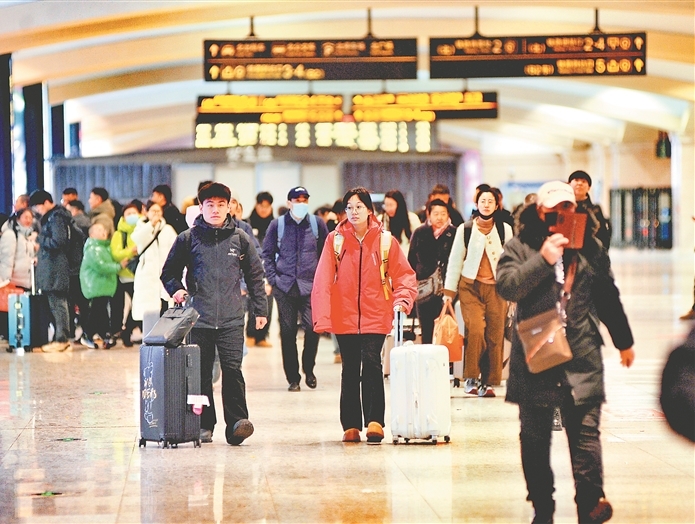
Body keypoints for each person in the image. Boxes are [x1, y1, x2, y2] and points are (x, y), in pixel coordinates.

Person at [496, 180, 635, 524]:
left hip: (582, 353)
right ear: (540, 210)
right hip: (537, 355)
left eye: (568, 207)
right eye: (555, 208)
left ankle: (590, 503)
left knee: (586, 434)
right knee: (535, 439)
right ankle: (543, 507)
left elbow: (607, 295)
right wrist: (543, 260)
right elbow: (508, 286)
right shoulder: (520, 246)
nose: (562, 214)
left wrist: (624, 340)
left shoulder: (591, 248)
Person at [161, 182, 267, 446]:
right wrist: (178, 290)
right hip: (198, 319)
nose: (216, 210)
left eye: (221, 204)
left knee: (233, 371)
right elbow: (168, 273)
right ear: (201, 207)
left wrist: (260, 310)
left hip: (232, 318)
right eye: (210, 205)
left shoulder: (240, 238)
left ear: (229, 207)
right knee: (200, 374)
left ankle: (237, 424)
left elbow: (255, 275)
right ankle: (203, 424)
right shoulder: (188, 238)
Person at [311, 187, 417, 443]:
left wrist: (402, 300)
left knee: (372, 363)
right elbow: (323, 278)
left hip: (376, 313)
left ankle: (374, 421)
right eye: (349, 207)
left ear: (370, 210)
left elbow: (404, 275)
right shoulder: (335, 240)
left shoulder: (385, 241)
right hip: (344, 314)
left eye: (359, 207)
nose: (354, 212)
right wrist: (322, 316)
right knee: (349, 368)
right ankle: (350, 424)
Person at [443, 185, 513, 398]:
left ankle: (489, 381)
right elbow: (455, 261)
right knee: (475, 330)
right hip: (470, 287)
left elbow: (511, 261)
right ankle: (471, 377)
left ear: (497, 205)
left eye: (491, 201)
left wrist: (513, 291)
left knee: (495, 334)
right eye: (483, 201)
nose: (486, 204)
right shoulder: (465, 229)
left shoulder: (504, 229)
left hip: (497, 289)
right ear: (476, 203)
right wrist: (449, 292)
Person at [262, 186, 329, 392]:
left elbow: (326, 254)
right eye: (297, 200)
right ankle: (293, 378)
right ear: (289, 203)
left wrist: (323, 281)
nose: (301, 203)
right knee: (288, 331)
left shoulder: (317, 224)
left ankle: (309, 369)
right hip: (285, 286)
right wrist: (273, 280)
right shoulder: (278, 225)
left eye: (304, 200)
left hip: (310, 286)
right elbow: (267, 254)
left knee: (313, 328)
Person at [29, 189, 74, 353]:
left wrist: (39, 238)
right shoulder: (53, 217)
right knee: (55, 303)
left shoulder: (56, 217)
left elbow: (58, 242)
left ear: (47, 202)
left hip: (56, 267)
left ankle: (62, 339)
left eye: (38, 207)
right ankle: (59, 338)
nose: (38, 211)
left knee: (58, 303)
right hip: (52, 266)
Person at [407, 199, 457, 344]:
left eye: (443, 213)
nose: (439, 217)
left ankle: (446, 359)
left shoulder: (454, 233)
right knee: (426, 332)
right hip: (424, 290)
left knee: (446, 331)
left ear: (448, 214)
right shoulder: (420, 232)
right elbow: (411, 261)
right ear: (429, 214)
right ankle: (427, 358)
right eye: (436, 213)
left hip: (447, 290)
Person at [131, 201, 177, 338]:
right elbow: (137, 239)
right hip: (147, 273)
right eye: (153, 211)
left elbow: (174, 247)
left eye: (158, 211)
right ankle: (148, 336)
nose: (156, 214)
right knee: (148, 308)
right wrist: (150, 225)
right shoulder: (141, 227)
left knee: (164, 303)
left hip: (163, 272)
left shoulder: (167, 229)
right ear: (147, 212)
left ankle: (163, 336)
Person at [80, 223, 125, 349]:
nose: (103, 232)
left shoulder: (105, 248)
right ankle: (87, 334)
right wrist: (119, 266)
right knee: (96, 310)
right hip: (95, 285)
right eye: (99, 230)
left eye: (104, 229)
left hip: (104, 286)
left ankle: (104, 334)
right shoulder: (92, 249)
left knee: (102, 311)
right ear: (91, 234)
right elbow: (100, 266)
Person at [109, 202, 142, 347]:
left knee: (138, 304)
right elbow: (116, 254)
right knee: (127, 305)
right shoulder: (119, 233)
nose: (132, 216)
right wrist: (131, 251)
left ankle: (127, 331)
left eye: (134, 213)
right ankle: (123, 332)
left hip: (141, 274)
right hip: (125, 275)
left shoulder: (143, 230)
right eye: (128, 214)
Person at [568, 170, 611, 250]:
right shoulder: (563, 207)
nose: (579, 183)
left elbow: (603, 234)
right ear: (569, 184)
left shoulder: (595, 209)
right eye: (576, 180)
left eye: (583, 181)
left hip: (590, 251)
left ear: (589, 188)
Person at [380, 190, 421, 255]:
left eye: (391, 205)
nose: (389, 208)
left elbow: (419, 240)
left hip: (407, 256)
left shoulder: (412, 218)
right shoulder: (381, 220)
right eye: (386, 205)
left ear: (399, 205)